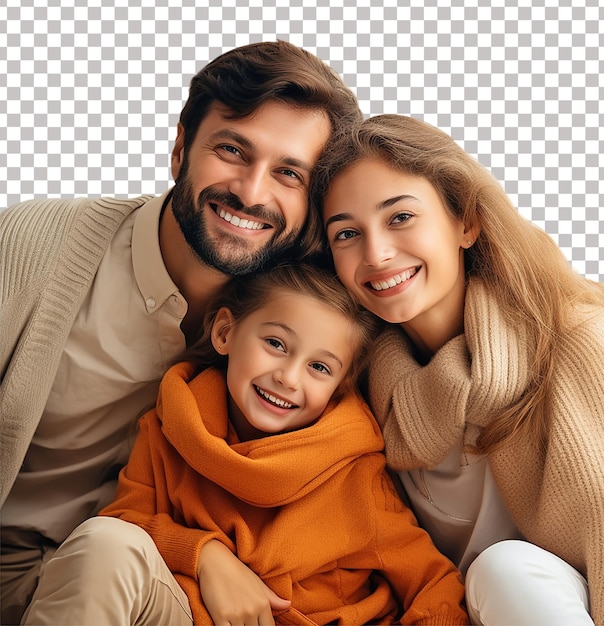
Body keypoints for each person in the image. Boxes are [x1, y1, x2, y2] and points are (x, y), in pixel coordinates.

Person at [0, 40, 362, 624]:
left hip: (151, 590)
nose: (250, 191)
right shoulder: (33, 246)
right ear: (179, 150)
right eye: (231, 150)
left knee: (108, 550)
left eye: (288, 173)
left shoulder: (304, 325)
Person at [21, 263, 469, 626]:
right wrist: (204, 556)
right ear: (224, 333)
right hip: (189, 612)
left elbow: (433, 582)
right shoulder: (170, 426)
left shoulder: (354, 473)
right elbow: (127, 519)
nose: (288, 378)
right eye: (275, 343)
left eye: (319, 367)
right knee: (103, 543)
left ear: (337, 388)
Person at [312, 114, 604, 626]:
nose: (377, 253)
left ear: (466, 222)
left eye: (400, 218)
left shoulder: (577, 341)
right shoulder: (356, 390)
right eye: (346, 233)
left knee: (504, 571)